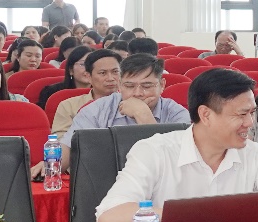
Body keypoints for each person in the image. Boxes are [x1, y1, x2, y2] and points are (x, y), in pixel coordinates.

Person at [94, 68, 258, 222]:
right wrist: (208, 218)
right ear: (206, 115)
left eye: (252, 113)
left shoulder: (253, 153)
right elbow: (110, 218)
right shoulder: (154, 151)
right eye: (241, 114)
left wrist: (250, 215)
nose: (250, 123)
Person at [62, 54, 190, 151]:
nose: (137, 93)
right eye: (129, 86)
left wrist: (143, 115)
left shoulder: (177, 114)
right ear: (119, 85)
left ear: (162, 85)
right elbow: (68, 148)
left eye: (147, 86)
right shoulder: (98, 109)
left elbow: (174, 159)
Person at [53, 49, 122, 151]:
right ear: (88, 76)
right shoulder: (68, 106)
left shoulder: (132, 103)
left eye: (115, 72)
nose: (110, 78)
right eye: (103, 73)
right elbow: (60, 143)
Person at [37, 45, 92, 112]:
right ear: (71, 70)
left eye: (93, 64)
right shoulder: (51, 93)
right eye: (83, 64)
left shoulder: (103, 93)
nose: (88, 69)